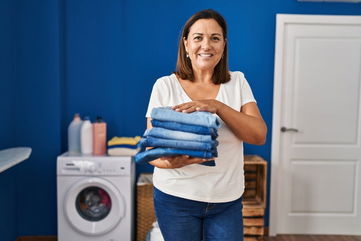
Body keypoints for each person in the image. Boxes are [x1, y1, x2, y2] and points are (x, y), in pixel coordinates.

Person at [145, 9, 267, 241]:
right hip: (176, 198)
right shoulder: (165, 86)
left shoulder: (237, 82)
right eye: (198, 37)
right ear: (186, 44)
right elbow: (152, 151)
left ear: (224, 44)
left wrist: (217, 106)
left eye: (215, 38)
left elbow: (258, 135)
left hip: (226, 200)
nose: (206, 45)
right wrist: (175, 163)